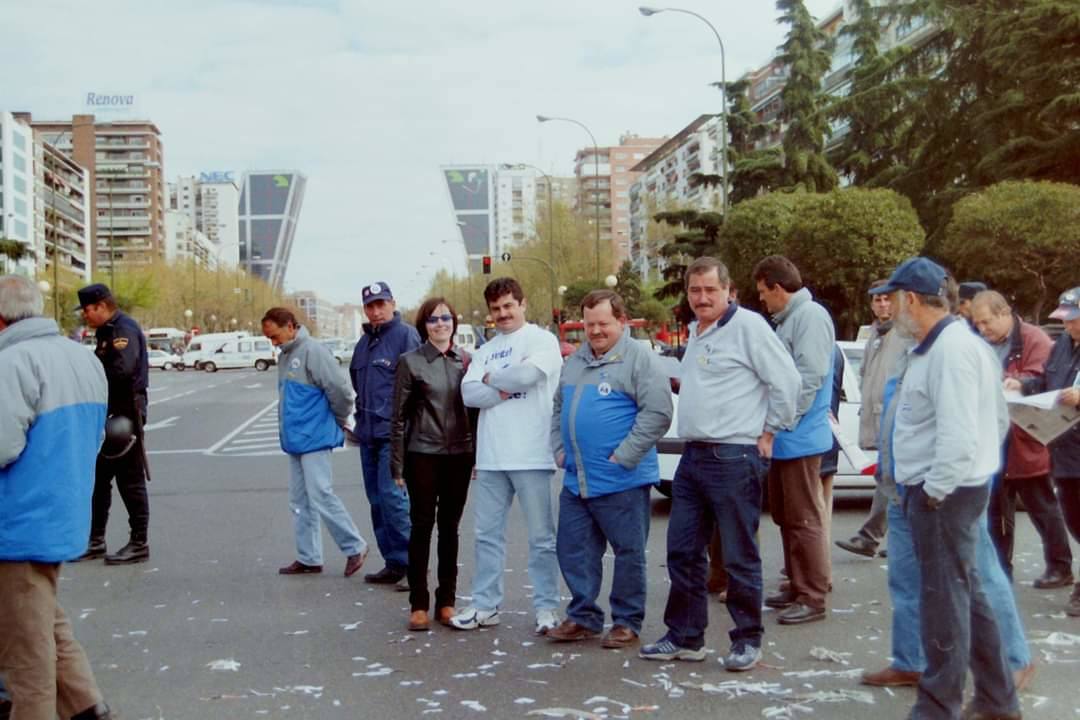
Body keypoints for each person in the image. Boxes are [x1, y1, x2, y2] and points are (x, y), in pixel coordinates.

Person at [862, 277, 1035, 695]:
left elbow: (988, 423)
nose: (887, 307)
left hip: (942, 489)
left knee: (978, 576)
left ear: (915, 301)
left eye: (895, 299)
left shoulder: (958, 349)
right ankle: (911, 661)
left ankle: (1014, 661)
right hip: (902, 484)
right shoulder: (908, 344)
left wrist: (949, 482)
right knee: (905, 578)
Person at [640, 258, 799, 672]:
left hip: (733, 456)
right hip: (694, 457)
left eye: (711, 290)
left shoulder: (748, 327)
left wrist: (770, 432)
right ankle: (686, 637)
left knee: (738, 555)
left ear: (730, 291)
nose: (702, 298)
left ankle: (748, 640)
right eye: (695, 290)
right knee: (682, 551)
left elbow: (788, 382)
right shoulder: (698, 332)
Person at [0, 275, 113, 720]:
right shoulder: (79, 357)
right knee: (43, 618)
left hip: (17, 518)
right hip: (60, 510)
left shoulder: (12, 363)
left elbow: (2, 445)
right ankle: (87, 706)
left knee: (25, 647)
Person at [546, 290, 672, 649]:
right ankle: (583, 616)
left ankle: (626, 621)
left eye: (603, 323)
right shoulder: (575, 361)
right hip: (577, 479)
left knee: (628, 552)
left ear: (622, 320)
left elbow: (658, 413)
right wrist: (558, 448)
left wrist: (625, 455)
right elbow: (558, 408)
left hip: (622, 479)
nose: (596, 331)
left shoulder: (639, 359)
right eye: (589, 324)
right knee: (573, 550)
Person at [450, 277, 563, 635]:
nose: (503, 314)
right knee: (486, 535)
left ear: (522, 303)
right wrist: (501, 385)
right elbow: (468, 393)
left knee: (541, 538)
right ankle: (485, 605)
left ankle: (546, 608)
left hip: (532, 454)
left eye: (508, 306)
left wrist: (490, 380)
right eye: (496, 309)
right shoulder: (485, 348)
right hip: (492, 456)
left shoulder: (542, 340)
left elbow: (530, 375)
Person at [971, 290, 1073, 587]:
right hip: (996, 434)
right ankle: (1001, 568)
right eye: (977, 324)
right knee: (996, 508)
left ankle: (1060, 565)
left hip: (1027, 435)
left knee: (1041, 505)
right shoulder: (983, 343)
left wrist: (1018, 381)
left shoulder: (1034, 338)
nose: (982, 329)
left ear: (1004, 313)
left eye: (987, 322)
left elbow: (1045, 381)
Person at [753, 256, 835, 625]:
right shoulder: (791, 320)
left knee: (803, 518)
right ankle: (796, 583)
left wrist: (779, 421)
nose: (762, 302)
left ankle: (812, 595)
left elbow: (810, 376)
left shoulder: (810, 317)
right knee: (787, 516)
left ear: (777, 287)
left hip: (799, 435)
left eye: (763, 293)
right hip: (788, 436)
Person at [262, 308, 368, 578]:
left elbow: (341, 390)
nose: (273, 343)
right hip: (299, 437)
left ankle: (354, 546)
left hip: (314, 435)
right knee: (300, 500)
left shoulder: (312, 351)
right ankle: (309, 556)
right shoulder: (288, 354)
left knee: (320, 493)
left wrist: (340, 417)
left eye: (274, 336)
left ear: (289, 326)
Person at [390, 297, 475, 631]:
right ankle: (419, 603)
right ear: (423, 326)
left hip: (460, 455)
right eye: (432, 320)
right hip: (422, 453)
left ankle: (448, 600)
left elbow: (477, 412)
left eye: (445, 318)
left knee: (450, 528)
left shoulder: (467, 360)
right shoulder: (410, 362)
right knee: (421, 527)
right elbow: (397, 417)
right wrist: (396, 466)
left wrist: (479, 455)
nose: (440, 324)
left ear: (454, 322)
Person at [1007, 285, 1080, 616]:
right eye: (1065, 320)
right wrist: (1023, 385)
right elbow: (1048, 382)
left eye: (1074, 320)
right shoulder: (1062, 345)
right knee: (1073, 517)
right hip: (1064, 446)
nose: (1068, 326)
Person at [74, 283, 151, 565]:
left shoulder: (122, 330)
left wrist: (90, 373)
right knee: (99, 480)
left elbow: (123, 370)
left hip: (125, 415)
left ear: (102, 306)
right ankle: (95, 540)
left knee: (130, 481)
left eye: (87, 310)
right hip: (108, 414)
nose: (85, 316)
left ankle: (139, 542)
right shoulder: (107, 330)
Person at [350, 282, 421, 585]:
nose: (376, 311)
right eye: (370, 306)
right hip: (368, 434)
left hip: (395, 435)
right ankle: (394, 562)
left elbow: (419, 383)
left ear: (393, 303)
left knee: (394, 499)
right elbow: (356, 382)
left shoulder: (406, 336)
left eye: (381, 304)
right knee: (377, 500)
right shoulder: (363, 344)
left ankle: (414, 565)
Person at [837, 280, 905, 559]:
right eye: (877, 300)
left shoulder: (904, 333)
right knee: (890, 481)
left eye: (887, 299)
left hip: (896, 418)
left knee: (890, 480)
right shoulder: (874, 334)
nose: (882, 305)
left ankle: (872, 537)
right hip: (876, 417)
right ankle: (894, 539)